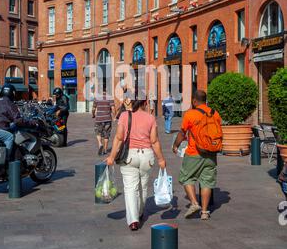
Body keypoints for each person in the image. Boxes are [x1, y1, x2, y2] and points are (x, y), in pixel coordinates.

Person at [107, 99, 166, 231]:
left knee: (130, 189)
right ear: (144, 103)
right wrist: (161, 159)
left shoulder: (124, 116)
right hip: (147, 156)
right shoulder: (151, 118)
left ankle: (133, 220)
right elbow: (154, 140)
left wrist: (111, 157)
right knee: (143, 187)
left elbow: (119, 137)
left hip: (130, 156)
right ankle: (140, 212)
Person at [173, 90, 222, 221]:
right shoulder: (214, 113)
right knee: (207, 182)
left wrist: (175, 145)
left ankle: (194, 203)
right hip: (211, 153)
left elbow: (182, 133)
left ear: (194, 101)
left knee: (186, 178)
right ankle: (205, 212)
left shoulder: (190, 114)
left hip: (194, 153)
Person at [92, 90, 116, 156]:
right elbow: (113, 108)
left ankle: (100, 144)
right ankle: (105, 150)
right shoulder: (110, 97)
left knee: (98, 132)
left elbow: (93, 108)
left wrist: (93, 114)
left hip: (99, 119)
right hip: (108, 119)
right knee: (107, 134)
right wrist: (114, 117)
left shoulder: (96, 98)